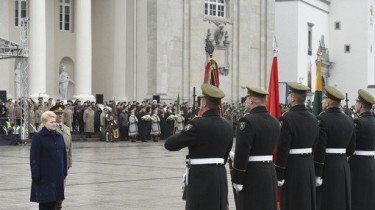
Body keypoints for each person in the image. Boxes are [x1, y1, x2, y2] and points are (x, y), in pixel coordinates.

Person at [165, 84, 233, 210]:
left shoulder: (197, 124)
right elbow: (225, 156)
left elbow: (170, 144)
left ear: (204, 103)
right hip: (220, 175)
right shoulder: (228, 125)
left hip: (201, 176)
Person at [231, 85, 280, 210]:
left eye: (246, 99)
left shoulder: (246, 121)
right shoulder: (275, 121)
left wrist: (237, 179)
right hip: (269, 171)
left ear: (252, 100)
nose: (245, 103)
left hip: (252, 174)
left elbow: (242, 152)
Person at [274, 82, 319, 210]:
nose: (287, 98)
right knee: (306, 201)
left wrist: (279, 174)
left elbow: (283, 148)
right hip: (308, 165)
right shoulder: (313, 118)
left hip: (292, 167)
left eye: (289, 95)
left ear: (293, 98)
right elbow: (315, 144)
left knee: (291, 201)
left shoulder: (286, 118)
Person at [314, 86, 356, 210]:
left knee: (326, 200)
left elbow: (320, 148)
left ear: (327, 102)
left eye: (323, 99)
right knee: (341, 200)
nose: (321, 102)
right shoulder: (349, 120)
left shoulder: (323, 119)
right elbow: (351, 148)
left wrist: (317, 173)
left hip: (327, 165)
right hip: (343, 164)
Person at [30, 111, 67, 210]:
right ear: (44, 123)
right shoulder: (38, 138)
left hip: (57, 176)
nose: (54, 124)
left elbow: (64, 155)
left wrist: (64, 172)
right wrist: (35, 175)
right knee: (46, 204)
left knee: (56, 204)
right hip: (44, 177)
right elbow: (34, 158)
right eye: (51, 122)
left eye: (55, 122)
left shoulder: (59, 137)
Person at [349, 89, 375, 210]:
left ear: (360, 105)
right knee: (369, 195)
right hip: (371, 163)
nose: (355, 104)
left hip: (358, 163)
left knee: (358, 195)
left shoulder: (358, 122)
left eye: (356, 102)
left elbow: (350, 145)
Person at [50, 104, 72, 210]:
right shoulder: (49, 128)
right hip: (54, 164)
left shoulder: (66, 129)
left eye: (61, 113)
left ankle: (59, 205)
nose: (60, 115)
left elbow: (69, 148)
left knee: (62, 187)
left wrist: (69, 163)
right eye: (57, 113)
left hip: (64, 164)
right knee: (53, 188)